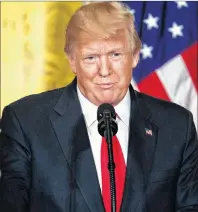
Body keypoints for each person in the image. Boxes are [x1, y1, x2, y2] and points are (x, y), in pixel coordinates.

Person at [0, 2, 198, 212]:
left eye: (115, 55)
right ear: (72, 61)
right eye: (91, 58)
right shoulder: (25, 122)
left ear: (136, 55)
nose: (104, 71)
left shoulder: (177, 125)